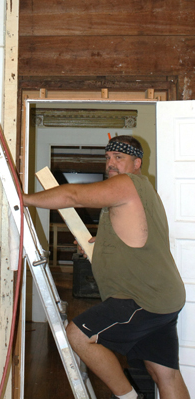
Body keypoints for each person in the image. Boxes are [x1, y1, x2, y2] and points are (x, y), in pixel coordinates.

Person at [23, 135, 190, 399]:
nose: (110, 163)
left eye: (119, 158)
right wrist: (101, 245)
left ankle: (128, 398)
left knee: (77, 335)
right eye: (108, 157)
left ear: (137, 163)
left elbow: (73, 195)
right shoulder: (139, 190)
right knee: (165, 374)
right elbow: (137, 233)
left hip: (143, 298)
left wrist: (24, 199)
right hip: (163, 298)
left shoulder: (127, 183)